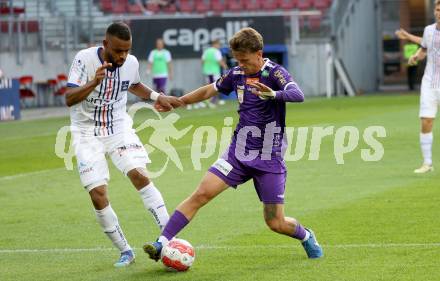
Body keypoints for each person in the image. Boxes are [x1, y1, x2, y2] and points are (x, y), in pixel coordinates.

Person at [143, 27, 323, 261]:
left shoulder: (274, 73)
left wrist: (274, 95)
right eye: (237, 60)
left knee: (275, 222)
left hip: (269, 156)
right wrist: (179, 102)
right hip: (238, 152)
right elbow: (211, 88)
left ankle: (306, 236)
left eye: (245, 60)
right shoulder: (236, 73)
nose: (241, 65)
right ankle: (161, 243)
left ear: (259, 54)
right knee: (201, 194)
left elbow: (297, 94)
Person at [65, 22, 184, 267]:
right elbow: (69, 98)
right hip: (87, 133)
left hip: (118, 127)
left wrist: (157, 97)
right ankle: (125, 251)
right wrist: (92, 83)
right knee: (97, 194)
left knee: (139, 174)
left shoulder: (131, 63)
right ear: (106, 44)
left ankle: (170, 240)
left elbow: (134, 84)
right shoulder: (84, 60)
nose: (122, 56)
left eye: (126, 51)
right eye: (118, 51)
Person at [407, 0, 440, 174]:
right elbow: (424, 49)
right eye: (437, 9)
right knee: (426, 121)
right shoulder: (428, 30)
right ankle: (427, 163)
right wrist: (415, 57)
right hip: (429, 83)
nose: (439, 12)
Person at [202, 39, 227, 108]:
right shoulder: (216, 51)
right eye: (219, 44)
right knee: (215, 86)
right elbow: (219, 61)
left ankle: (208, 101)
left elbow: (202, 61)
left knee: (208, 86)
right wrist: (225, 66)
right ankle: (211, 102)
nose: (219, 46)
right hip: (214, 72)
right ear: (215, 44)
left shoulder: (206, 51)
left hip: (207, 71)